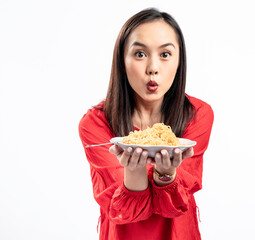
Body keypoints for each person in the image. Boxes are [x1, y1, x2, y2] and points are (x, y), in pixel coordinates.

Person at [79, 8, 214, 240]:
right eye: (140, 54)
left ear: (179, 60)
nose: (153, 68)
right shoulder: (95, 123)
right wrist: (134, 170)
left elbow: (173, 206)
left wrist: (166, 174)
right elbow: (123, 212)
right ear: (122, 60)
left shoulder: (198, 114)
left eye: (165, 54)